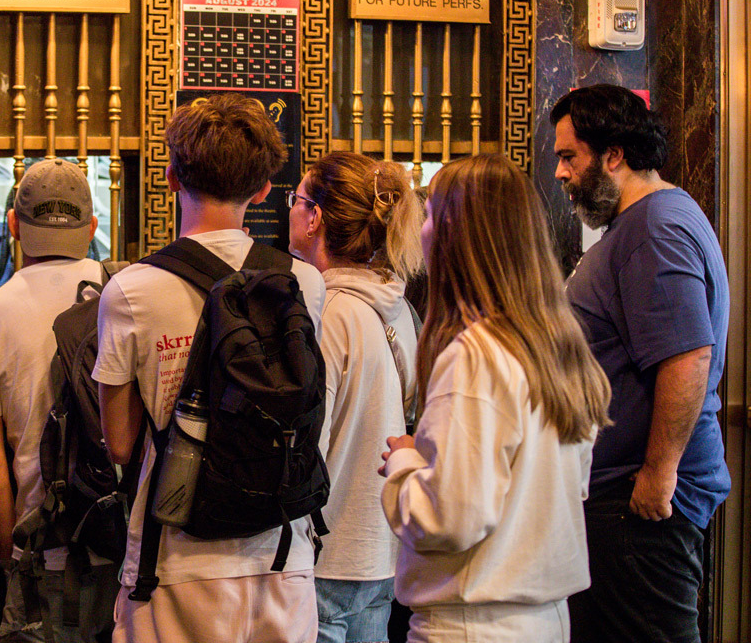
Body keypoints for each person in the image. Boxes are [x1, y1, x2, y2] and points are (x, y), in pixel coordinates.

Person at [93, 92, 327, 643]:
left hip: (175, 559)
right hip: (282, 551)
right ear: (265, 188)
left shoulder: (130, 290)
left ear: (172, 176)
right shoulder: (305, 283)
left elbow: (122, 445)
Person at [380, 153, 611, 643]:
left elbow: (451, 517)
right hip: (545, 618)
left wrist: (404, 466)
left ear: (455, 234)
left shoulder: (476, 355)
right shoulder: (557, 350)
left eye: (428, 215)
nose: (420, 230)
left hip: (472, 623)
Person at [550, 84, 731, 643]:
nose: (560, 174)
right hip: (624, 499)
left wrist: (658, 474)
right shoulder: (642, 223)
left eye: (567, 156)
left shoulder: (655, 227)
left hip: (642, 508)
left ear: (614, 155)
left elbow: (686, 356)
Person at [0, 158, 117, 643]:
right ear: (93, 226)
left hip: (44, 550)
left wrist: (11, 556)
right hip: (129, 546)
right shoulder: (127, 297)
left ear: (15, 225)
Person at [287, 151, 423, 643]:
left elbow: (309, 445)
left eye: (295, 200)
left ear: (315, 218)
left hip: (327, 556)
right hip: (382, 552)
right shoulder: (398, 308)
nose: (290, 210)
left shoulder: (332, 312)